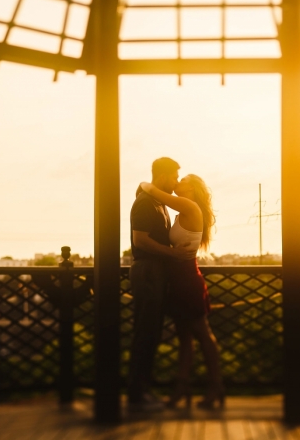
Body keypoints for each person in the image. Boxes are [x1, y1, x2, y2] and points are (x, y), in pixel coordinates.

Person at [139, 174, 223, 409]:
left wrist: (144, 185)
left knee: (203, 335)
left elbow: (154, 192)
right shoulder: (182, 210)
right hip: (177, 281)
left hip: (187, 281)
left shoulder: (189, 205)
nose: (178, 181)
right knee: (185, 338)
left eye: (182, 179)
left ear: (193, 188)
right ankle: (182, 387)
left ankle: (216, 386)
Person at [128, 157, 195, 412]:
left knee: (150, 332)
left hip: (154, 272)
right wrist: (174, 255)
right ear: (164, 175)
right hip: (147, 271)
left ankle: (141, 388)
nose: (177, 181)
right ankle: (137, 392)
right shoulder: (145, 203)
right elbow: (142, 242)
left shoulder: (156, 202)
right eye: (175, 176)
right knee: (145, 332)